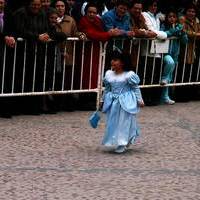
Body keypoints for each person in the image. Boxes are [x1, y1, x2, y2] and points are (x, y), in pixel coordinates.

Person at [101, 50, 144, 153]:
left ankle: (122, 143)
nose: (112, 62)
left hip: (126, 101)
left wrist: (139, 100)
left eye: (115, 60)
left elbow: (135, 88)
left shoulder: (129, 75)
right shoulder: (109, 74)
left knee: (124, 122)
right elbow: (107, 89)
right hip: (114, 102)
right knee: (113, 122)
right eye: (112, 59)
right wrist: (103, 100)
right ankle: (116, 139)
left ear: (123, 62)